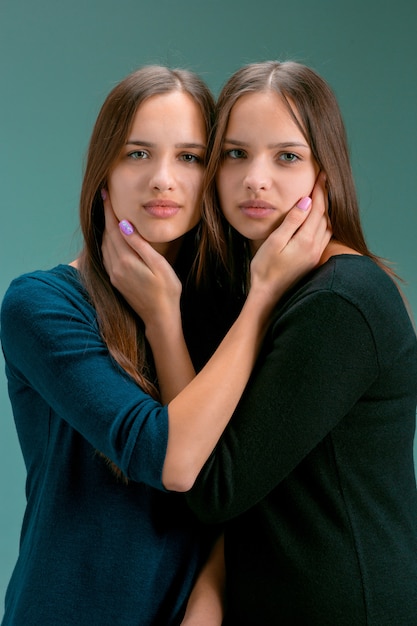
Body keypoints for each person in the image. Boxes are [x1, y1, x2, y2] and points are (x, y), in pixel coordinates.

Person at [0, 64, 330, 625]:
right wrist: (263, 297)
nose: (162, 179)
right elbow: (165, 456)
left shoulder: (224, 309)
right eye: (136, 154)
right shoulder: (42, 305)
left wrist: (207, 600)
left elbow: (246, 485)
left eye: (190, 157)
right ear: (101, 172)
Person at [106, 61, 417, 625]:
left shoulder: (341, 300)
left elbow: (211, 483)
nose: (255, 178)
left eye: (287, 156)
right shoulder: (254, 290)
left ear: (327, 172)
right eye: (234, 154)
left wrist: (163, 322)